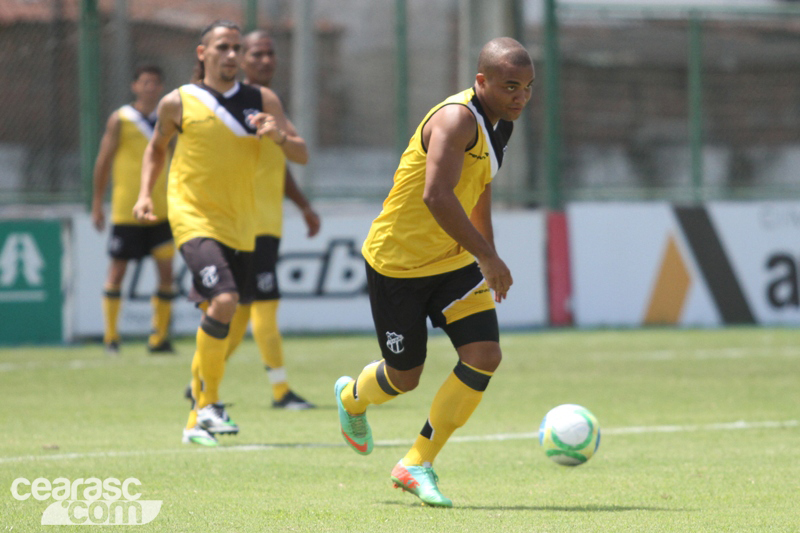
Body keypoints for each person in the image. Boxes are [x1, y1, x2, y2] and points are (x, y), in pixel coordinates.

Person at [334, 37, 534, 507]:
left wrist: (486, 253)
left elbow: (479, 186)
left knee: (484, 355)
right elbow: (436, 195)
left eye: (527, 87)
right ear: (481, 81)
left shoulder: (500, 125)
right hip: (398, 264)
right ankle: (352, 398)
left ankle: (417, 462)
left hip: (453, 263)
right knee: (405, 378)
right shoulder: (455, 119)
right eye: (510, 86)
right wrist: (488, 256)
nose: (521, 97)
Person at [133, 20, 307, 447]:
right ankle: (210, 403)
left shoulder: (261, 99)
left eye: (235, 48)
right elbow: (156, 149)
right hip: (192, 217)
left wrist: (278, 136)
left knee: (225, 312)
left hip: (243, 225)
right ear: (202, 53)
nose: (231, 55)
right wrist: (145, 194)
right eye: (222, 47)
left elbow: (301, 153)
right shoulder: (179, 101)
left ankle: (196, 419)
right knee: (225, 300)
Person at [221, 29, 321, 409]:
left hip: (265, 222)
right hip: (245, 224)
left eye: (270, 53)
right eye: (256, 54)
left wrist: (303, 206)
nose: (265, 60)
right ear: (240, 58)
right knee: (263, 304)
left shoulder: (268, 103)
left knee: (240, 311)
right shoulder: (231, 103)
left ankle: (202, 379)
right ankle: (281, 392)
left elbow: (290, 158)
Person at [91, 65, 175, 356]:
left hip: (162, 209)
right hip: (127, 209)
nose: (150, 87)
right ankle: (111, 337)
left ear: (161, 87)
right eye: (145, 82)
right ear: (134, 86)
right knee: (117, 272)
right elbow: (103, 161)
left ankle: (159, 338)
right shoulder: (122, 119)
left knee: (166, 273)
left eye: (155, 82)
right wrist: (97, 203)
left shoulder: (168, 119)